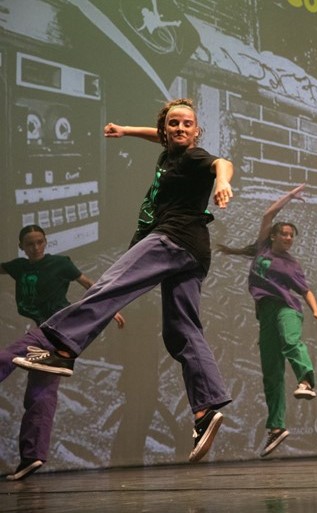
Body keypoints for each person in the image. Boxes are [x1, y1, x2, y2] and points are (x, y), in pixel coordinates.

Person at [11, 98, 234, 463]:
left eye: (187, 125)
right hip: (194, 251)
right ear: (166, 131)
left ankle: (63, 348)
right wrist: (126, 130)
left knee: (111, 285)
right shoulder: (169, 152)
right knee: (183, 330)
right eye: (173, 124)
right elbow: (156, 135)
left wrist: (222, 181)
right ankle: (206, 408)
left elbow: (221, 163)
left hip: (172, 239)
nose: (180, 129)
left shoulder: (195, 157)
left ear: (197, 132)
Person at [1, 226, 125, 480]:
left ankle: (61, 357)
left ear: (45, 242)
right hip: (49, 338)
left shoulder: (60, 263)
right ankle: (32, 456)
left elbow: (88, 284)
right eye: (29, 244)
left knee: (5, 357)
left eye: (39, 242)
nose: (35, 248)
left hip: (58, 326)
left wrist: (109, 309)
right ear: (22, 246)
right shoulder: (19, 267)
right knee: (40, 395)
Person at [217, 184, 317, 457]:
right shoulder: (263, 248)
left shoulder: (292, 264)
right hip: (265, 313)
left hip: (287, 309)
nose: (288, 239)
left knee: (291, 342)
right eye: (284, 234)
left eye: (291, 236)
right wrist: (288, 197)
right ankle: (276, 428)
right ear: (274, 236)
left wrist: (316, 310)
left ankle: (307, 381)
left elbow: (305, 290)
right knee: (271, 372)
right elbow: (268, 215)